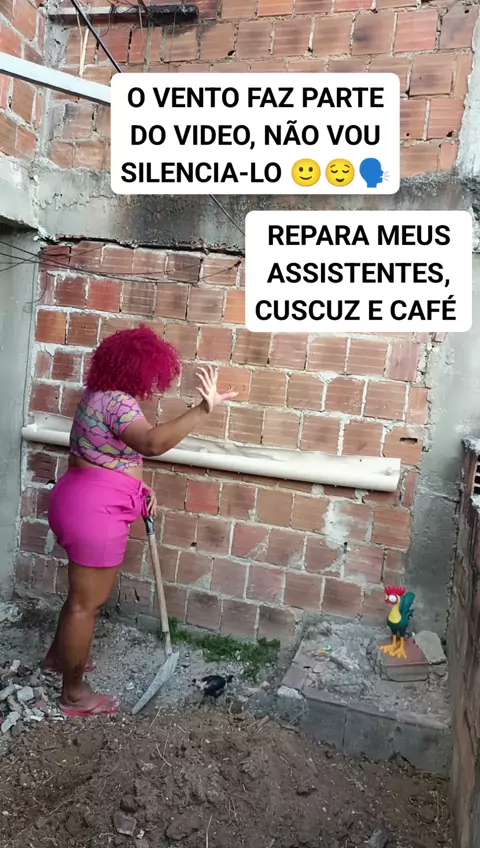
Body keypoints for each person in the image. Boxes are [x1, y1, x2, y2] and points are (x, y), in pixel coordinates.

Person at [43, 325, 237, 717]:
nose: (154, 382)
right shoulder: (119, 403)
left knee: (79, 598)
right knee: (85, 605)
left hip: (79, 499)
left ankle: (58, 659)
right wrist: (202, 409)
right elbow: (151, 443)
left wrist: (137, 488)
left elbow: (101, 452)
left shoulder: (96, 396)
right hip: (95, 512)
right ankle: (73, 695)